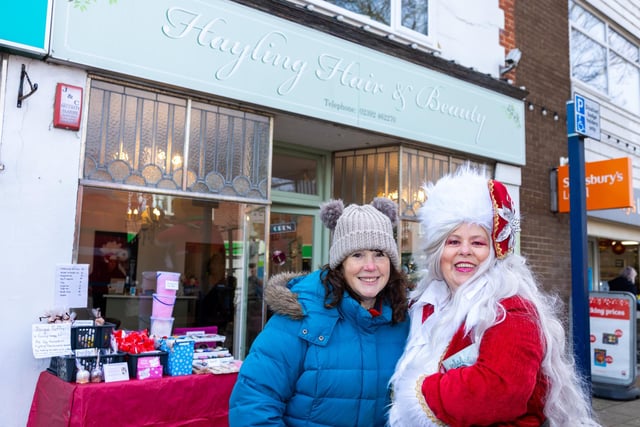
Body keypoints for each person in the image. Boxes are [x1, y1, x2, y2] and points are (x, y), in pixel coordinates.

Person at [389, 166, 601, 426]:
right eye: (453, 242)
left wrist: (417, 391)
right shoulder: (424, 306)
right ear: (438, 252)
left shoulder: (512, 311)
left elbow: (498, 391)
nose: (464, 251)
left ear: (494, 252)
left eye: (477, 242)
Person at [229, 198, 410, 426]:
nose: (370, 266)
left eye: (379, 254)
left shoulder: (403, 320)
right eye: (357, 255)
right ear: (340, 263)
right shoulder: (300, 313)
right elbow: (252, 404)